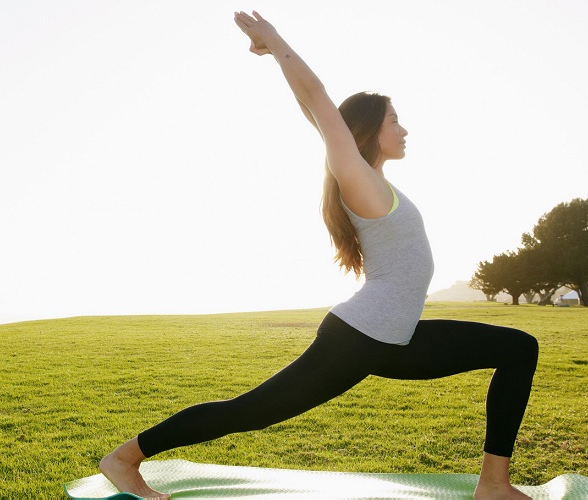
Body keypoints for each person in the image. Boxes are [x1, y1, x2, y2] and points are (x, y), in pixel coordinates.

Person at [99, 11, 539, 500]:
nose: (405, 129)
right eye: (395, 119)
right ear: (370, 129)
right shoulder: (359, 180)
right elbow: (317, 100)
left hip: (396, 337)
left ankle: (493, 484)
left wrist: (276, 55)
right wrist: (274, 43)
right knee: (250, 411)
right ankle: (124, 457)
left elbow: (316, 113)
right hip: (363, 336)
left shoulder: (375, 181)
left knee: (518, 347)